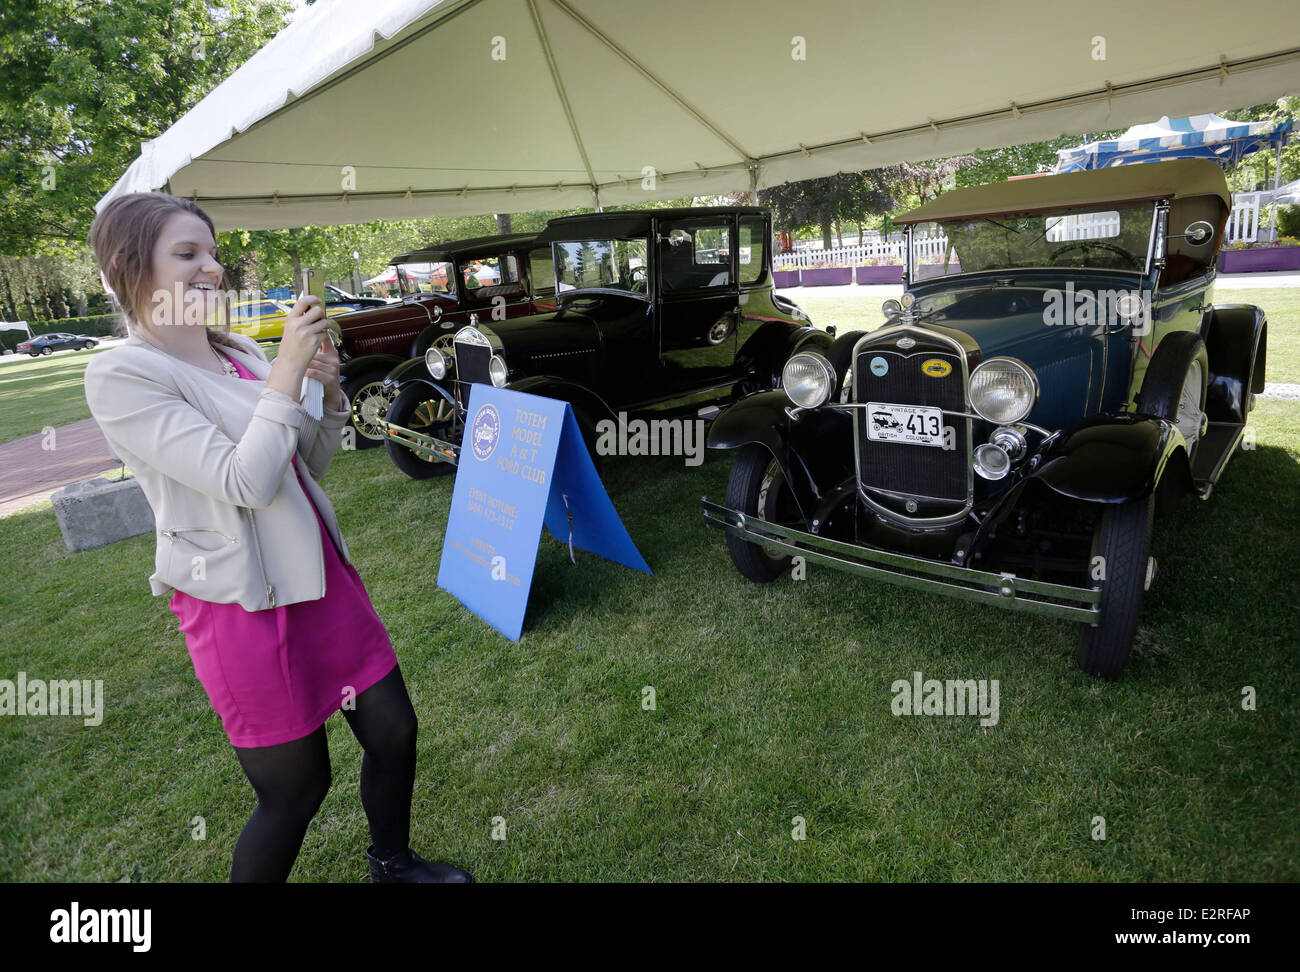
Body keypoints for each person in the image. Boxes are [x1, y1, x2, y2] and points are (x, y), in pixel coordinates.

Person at [83, 191, 472, 884]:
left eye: (213, 253)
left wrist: (322, 395)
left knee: (394, 731)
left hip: (322, 579)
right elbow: (243, 482)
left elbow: (303, 466)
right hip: (245, 607)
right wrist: (287, 374)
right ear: (125, 265)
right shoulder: (123, 374)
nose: (213, 269)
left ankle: (392, 864)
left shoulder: (232, 351)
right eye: (187, 253)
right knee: (296, 791)